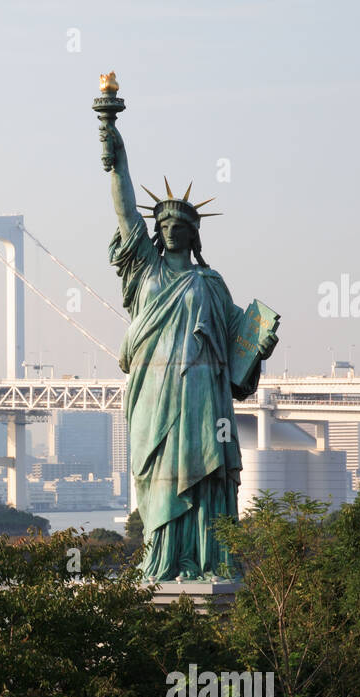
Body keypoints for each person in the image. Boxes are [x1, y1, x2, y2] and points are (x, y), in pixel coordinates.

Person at [101, 121, 278, 581]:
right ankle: (163, 558)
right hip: (154, 394)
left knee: (207, 475)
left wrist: (261, 347)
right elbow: (124, 214)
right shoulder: (143, 270)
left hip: (203, 396)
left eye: (181, 225)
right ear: (156, 232)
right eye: (165, 224)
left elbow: (240, 348)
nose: (172, 230)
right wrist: (115, 150)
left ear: (194, 233)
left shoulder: (210, 283)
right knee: (160, 475)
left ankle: (208, 558)